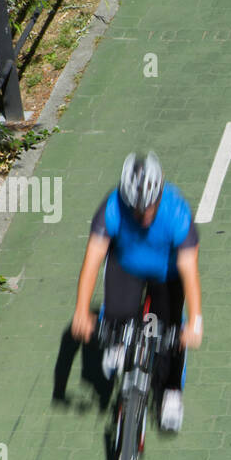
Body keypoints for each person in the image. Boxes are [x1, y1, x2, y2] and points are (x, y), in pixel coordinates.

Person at [70, 151, 202, 431]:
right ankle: (119, 344)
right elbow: (92, 262)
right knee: (117, 314)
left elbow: (189, 269)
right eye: (135, 209)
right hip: (126, 265)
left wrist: (196, 320)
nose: (142, 215)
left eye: (149, 208)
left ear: (159, 196)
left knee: (169, 334)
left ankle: (171, 393)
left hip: (167, 274)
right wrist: (82, 310)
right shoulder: (112, 208)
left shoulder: (177, 212)